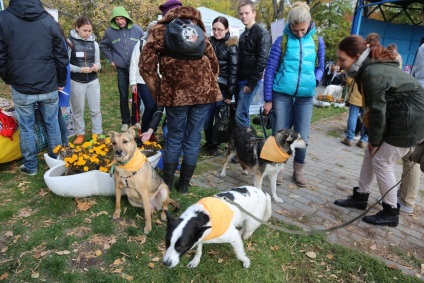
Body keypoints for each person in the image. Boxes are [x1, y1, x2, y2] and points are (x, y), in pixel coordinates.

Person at [334, 35, 424, 227]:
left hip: (410, 120)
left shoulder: (370, 72)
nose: (339, 64)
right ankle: (361, 196)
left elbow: (377, 112)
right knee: (370, 153)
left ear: (357, 55)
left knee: (382, 161)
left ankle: (391, 212)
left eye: (342, 59)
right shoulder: (368, 67)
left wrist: (375, 141)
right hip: (403, 114)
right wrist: (373, 144)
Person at [139, 1, 222, 194]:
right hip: (203, 94)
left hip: (176, 93)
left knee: (175, 138)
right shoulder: (198, 29)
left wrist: (158, 91)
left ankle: (166, 183)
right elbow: (214, 63)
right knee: (193, 139)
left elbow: (146, 66)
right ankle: (183, 185)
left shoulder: (158, 31)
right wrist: (208, 82)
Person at [0, 0, 69, 175]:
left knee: (27, 127)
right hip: (46, 84)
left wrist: (10, 78)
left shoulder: (3, 19)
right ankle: (56, 162)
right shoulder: (48, 20)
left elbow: (1, 57)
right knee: (52, 124)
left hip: (23, 84)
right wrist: (60, 80)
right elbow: (61, 55)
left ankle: (31, 166)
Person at [263, 1, 325, 186]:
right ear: (289, 25)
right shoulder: (281, 40)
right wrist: (268, 99)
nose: (299, 33)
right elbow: (270, 69)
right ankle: (278, 168)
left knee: (302, 135)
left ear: (309, 24)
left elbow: (321, 66)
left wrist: (314, 81)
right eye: (295, 30)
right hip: (281, 95)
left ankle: (298, 170)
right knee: (280, 134)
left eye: (303, 30)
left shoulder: (317, 41)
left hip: (305, 98)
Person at [99, 6, 144, 132]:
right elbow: (102, 45)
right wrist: (110, 59)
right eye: (117, 19)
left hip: (137, 70)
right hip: (122, 69)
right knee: (123, 95)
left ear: (126, 18)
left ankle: (135, 121)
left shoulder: (138, 30)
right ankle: (125, 121)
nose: (119, 21)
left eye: (121, 18)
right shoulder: (109, 32)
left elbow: (144, 46)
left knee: (136, 95)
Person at [202, 16, 238, 156]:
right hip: (207, 87)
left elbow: (234, 71)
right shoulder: (208, 43)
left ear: (227, 29)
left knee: (219, 118)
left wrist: (230, 93)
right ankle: (210, 141)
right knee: (207, 118)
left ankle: (216, 144)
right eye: (214, 29)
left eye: (220, 30)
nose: (216, 32)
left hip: (222, 88)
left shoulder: (231, 45)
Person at [236, 0, 271, 129]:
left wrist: (250, 83)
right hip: (240, 78)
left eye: (246, 13)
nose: (243, 16)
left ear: (254, 13)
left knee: (241, 114)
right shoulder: (243, 34)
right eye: (241, 14)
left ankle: (246, 144)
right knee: (240, 113)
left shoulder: (262, 33)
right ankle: (242, 143)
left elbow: (262, 60)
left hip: (250, 80)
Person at [68, 16, 103, 145]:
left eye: (90, 31)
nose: (88, 34)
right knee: (78, 110)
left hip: (92, 80)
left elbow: (98, 63)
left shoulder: (94, 44)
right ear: (77, 28)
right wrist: (79, 69)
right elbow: (65, 64)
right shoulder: (69, 42)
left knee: (95, 109)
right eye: (85, 30)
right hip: (76, 80)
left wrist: (97, 67)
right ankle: (80, 134)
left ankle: (97, 133)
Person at [129, 20, 157, 140]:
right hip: (142, 80)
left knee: (156, 107)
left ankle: (151, 132)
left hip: (157, 80)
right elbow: (134, 63)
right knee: (150, 106)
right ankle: (144, 131)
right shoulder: (141, 43)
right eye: (152, 31)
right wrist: (133, 83)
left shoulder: (161, 44)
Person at [340, 77, 368, 149]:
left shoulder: (357, 65)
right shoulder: (375, 67)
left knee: (353, 116)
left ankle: (349, 139)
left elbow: (349, 81)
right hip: (369, 96)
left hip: (356, 93)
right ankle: (363, 140)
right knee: (367, 118)